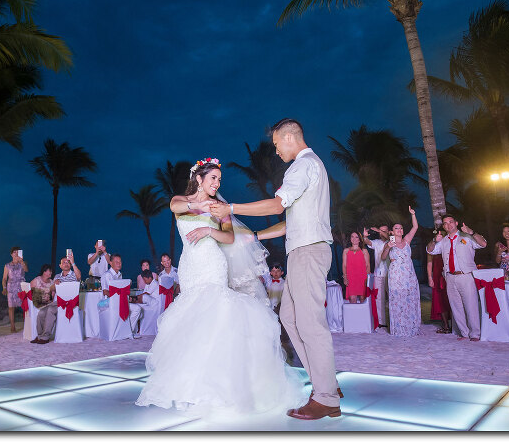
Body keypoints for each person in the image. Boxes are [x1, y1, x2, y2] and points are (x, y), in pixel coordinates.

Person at [137, 157, 306, 416]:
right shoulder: (183, 202)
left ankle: (218, 387)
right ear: (199, 179)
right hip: (190, 267)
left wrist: (209, 231)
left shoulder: (221, 207)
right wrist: (198, 205)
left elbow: (228, 236)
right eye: (213, 178)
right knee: (192, 321)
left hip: (212, 264)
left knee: (214, 316)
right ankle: (191, 385)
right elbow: (174, 205)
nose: (217, 182)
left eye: (219, 179)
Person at [210, 118, 340, 421]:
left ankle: (326, 397)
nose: (276, 150)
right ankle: (326, 383)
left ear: (289, 137)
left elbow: (277, 206)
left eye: (276, 143)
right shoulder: (308, 167)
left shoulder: (302, 166)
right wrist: (254, 236)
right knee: (290, 316)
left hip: (309, 251)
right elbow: (289, 221)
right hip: (302, 249)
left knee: (310, 322)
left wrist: (230, 209)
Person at [426, 213, 487, 341]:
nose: (448, 225)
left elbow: (483, 244)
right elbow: (430, 250)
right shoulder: (443, 241)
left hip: (466, 275)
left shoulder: (467, 236)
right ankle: (464, 333)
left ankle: (475, 333)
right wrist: (433, 240)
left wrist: (472, 232)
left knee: (471, 305)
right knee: (456, 306)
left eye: (451, 222)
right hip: (450, 277)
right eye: (445, 223)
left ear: (456, 223)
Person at [380, 207, 420, 337]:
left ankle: (411, 328)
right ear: (392, 231)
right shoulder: (389, 243)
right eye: (396, 228)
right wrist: (387, 248)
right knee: (398, 301)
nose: (400, 230)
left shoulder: (407, 240)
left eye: (401, 228)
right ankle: (399, 329)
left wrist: (413, 214)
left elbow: (415, 227)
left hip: (409, 275)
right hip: (396, 275)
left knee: (410, 300)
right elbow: (383, 258)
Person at [102, 254, 143, 335]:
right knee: (136, 309)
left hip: (120, 301)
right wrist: (122, 297)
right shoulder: (107, 275)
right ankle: (128, 331)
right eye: (116, 262)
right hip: (110, 302)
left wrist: (126, 297)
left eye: (120, 262)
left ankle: (128, 330)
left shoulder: (119, 274)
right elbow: (105, 292)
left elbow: (121, 290)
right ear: (110, 263)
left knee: (139, 310)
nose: (119, 264)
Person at [363, 225, 390, 327]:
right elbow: (368, 242)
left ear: (389, 231)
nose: (381, 233)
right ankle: (381, 322)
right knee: (379, 299)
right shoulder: (377, 242)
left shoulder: (391, 241)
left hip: (391, 274)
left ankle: (394, 320)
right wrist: (365, 237)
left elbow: (387, 237)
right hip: (378, 274)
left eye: (384, 231)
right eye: (380, 231)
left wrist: (379, 230)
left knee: (392, 298)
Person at [29, 264, 58, 344]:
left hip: (48, 303)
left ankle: (45, 337)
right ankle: (40, 336)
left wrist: (49, 297)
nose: (51, 273)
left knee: (49, 310)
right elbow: (30, 290)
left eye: (51, 271)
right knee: (41, 313)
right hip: (38, 303)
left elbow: (53, 295)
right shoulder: (37, 280)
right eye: (49, 271)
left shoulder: (52, 282)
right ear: (44, 271)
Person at [2, 246, 27, 333]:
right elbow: (4, 278)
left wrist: (22, 261)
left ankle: (27, 324)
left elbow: (26, 270)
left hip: (21, 286)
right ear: (11, 254)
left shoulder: (22, 263)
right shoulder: (7, 265)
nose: (16, 253)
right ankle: (12, 326)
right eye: (14, 252)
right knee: (11, 307)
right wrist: (4, 288)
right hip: (11, 287)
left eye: (17, 252)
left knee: (24, 306)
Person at [427, 246, 451, 334]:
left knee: (451, 299)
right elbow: (429, 263)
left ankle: (454, 325)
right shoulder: (432, 246)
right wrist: (430, 277)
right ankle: (446, 325)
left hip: (449, 273)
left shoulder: (448, 242)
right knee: (441, 300)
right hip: (438, 276)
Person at [343, 232, 370, 304]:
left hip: (362, 278)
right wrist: (345, 277)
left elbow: (367, 265)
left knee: (362, 299)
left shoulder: (364, 251)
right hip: (351, 278)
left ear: (359, 239)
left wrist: (367, 280)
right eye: (352, 236)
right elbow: (344, 265)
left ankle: (363, 315)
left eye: (356, 237)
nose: (354, 239)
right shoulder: (346, 251)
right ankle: (354, 315)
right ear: (350, 239)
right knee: (352, 299)